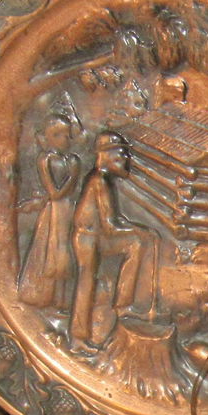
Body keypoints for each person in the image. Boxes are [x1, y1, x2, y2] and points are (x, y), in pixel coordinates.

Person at [69, 132, 159, 349]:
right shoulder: (98, 181)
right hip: (89, 240)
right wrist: (138, 230)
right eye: (120, 155)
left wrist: (139, 231)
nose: (126, 160)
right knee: (85, 284)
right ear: (105, 156)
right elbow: (111, 226)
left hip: (98, 238)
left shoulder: (103, 181)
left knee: (137, 243)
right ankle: (78, 338)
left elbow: (115, 220)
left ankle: (124, 304)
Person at [17, 114, 80, 309]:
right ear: (47, 137)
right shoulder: (45, 160)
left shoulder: (69, 160)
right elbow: (55, 192)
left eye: (68, 135)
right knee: (52, 254)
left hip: (68, 210)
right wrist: (74, 175)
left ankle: (62, 301)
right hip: (55, 212)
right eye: (59, 135)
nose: (65, 140)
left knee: (66, 256)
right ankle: (47, 298)